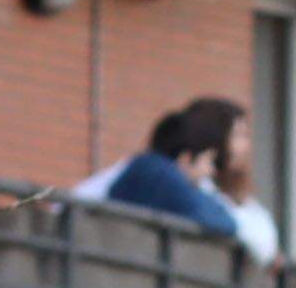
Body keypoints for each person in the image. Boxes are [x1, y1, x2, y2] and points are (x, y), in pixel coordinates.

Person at [79, 94, 277, 260]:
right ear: (187, 158)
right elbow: (220, 220)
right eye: (239, 135)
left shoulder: (156, 171)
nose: (210, 171)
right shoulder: (156, 172)